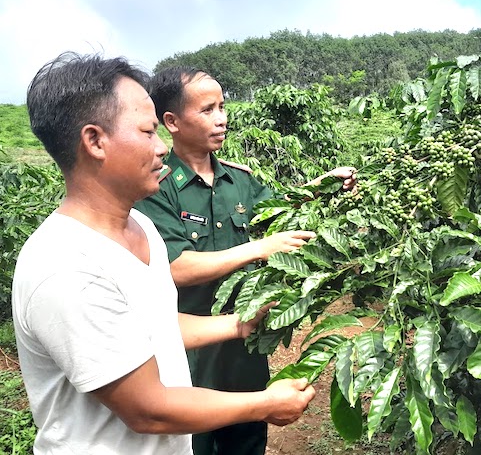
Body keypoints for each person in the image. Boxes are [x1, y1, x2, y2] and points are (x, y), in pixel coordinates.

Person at [12, 53, 316, 455]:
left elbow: (152, 324)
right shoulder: (66, 268)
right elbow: (148, 410)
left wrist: (240, 325)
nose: (160, 149)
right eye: (147, 132)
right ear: (95, 141)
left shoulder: (143, 229)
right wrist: (264, 404)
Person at [135, 66, 356, 455]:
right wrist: (258, 248)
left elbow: (278, 206)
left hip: (245, 347)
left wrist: (327, 183)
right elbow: (175, 268)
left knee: (247, 440)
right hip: (188, 352)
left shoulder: (240, 181)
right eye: (207, 110)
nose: (221, 119)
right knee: (193, 444)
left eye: (222, 107)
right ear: (172, 122)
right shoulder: (157, 187)